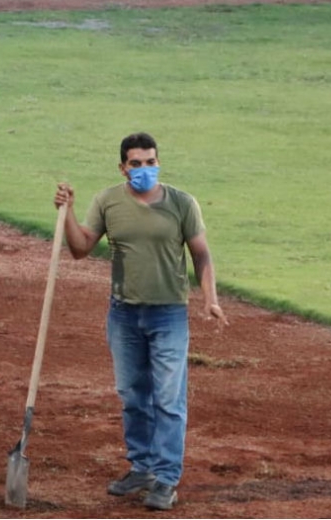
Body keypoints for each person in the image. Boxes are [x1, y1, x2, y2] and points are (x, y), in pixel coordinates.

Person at [53, 132, 228, 511]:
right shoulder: (108, 201)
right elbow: (81, 249)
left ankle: (165, 479)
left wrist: (209, 298)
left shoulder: (182, 203)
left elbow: (201, 255)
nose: (145, 169)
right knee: (133, 395)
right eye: (136, 163)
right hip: (124, 314)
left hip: (169, 315)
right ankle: (142, 467)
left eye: (151, 162)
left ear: (158, 162)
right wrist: (66, 213)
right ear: (123, 167)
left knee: (168, 399)